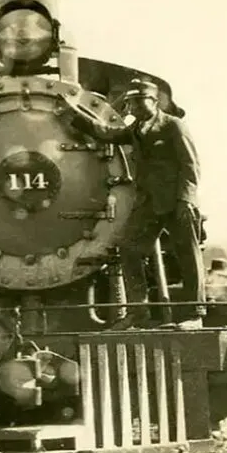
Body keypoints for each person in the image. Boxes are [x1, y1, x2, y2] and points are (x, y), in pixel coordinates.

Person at [65, 77, 204, 329]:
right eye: (130, 104)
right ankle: (138, 313)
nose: (133, 109)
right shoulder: (135, 129)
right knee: (130, 248)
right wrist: (73, 113)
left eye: (138, 103)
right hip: (148, 202)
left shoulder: (173, 126)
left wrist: (187, 199)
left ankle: (195, 315)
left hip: (176, 201)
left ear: (153, 101)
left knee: (187, 255)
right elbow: (106, 133)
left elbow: (190, 165)